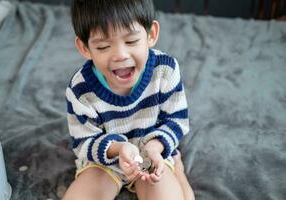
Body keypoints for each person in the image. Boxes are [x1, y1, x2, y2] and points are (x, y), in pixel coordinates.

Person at [63, 0, 195, 199]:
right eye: (104, 46)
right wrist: (119, 149)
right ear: (84, 48)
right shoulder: (81, 89)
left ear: (151, 35)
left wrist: (154, 148)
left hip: (152, 154)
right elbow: (83, 142)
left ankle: (177, 169)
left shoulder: (165, 70)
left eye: (132, 41)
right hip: (105, 160)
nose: (120, 55)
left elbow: (177, 121)